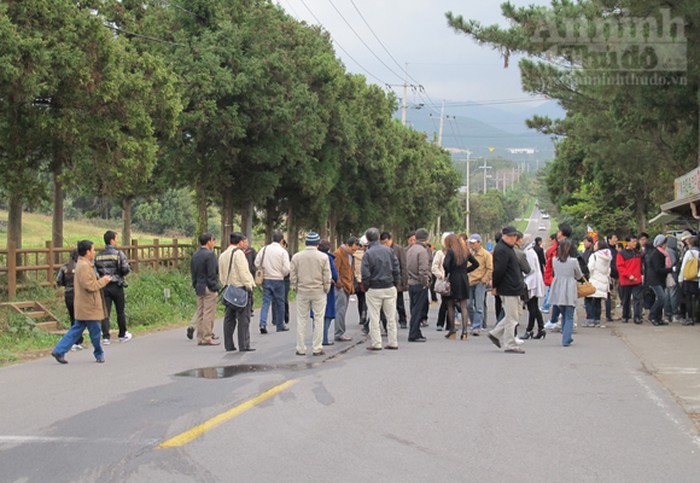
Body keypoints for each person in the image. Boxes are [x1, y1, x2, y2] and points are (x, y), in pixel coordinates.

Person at [51, 240, 112, 364]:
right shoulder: (84, 266)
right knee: (95, 331)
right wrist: (103, 281)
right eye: (93, 250)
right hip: (89, 305)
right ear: (87, 252)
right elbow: (89, 285)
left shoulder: (84, 264)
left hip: (85, 304)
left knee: (76, 329)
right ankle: (99, 353)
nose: (94, 252)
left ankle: (59, 350)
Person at [291, 232, 332, 356]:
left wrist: (295, 286)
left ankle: (301, 348)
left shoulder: (297, 257)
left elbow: (293, 274)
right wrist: (326, 288)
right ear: (318, 244)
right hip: (318, 291)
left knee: (301, 319)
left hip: (302, 291)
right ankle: (317, 347)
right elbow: (327, 275)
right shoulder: (323, 257)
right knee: (319, 319)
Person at [487, 226, 527, 354]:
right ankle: (510, 344)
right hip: (507, 288)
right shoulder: (502, 249)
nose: (513, 238)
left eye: (514, 236)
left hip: (514, 287)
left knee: (516, 314)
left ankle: (495, 333)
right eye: (510, 236)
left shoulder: (508, 248)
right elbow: (498, 270)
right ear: (504, 236)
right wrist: (495, 287)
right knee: (512, 317)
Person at [362, 228, 401, 351]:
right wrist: (395, 283)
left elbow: (365, 273)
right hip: (389, 286)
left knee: (374, 317)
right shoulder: (389, 250)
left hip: (374, 288)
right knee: (391, 317)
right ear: (378, 237)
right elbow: (396, 268)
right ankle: (393, 341)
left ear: (367, 239)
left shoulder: (368, 253)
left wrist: (366, 286)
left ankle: (376, 342)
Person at [219, 232, 256, 352]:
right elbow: (243, 271)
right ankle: (244, 344)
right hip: (240, 288)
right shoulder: (239, 253)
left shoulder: (223, 254)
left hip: (228, 289)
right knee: (243, 319)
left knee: (229, 318)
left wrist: (225, 283)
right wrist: (249, 285)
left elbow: (221, 273)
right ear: (239, 242)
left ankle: (229, 344)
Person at [94, 230, 132, 345]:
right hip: (117, 284)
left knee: (106, 311)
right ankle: (122, 334)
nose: (117, 241)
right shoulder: (118, 254)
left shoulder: (98, 256)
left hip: (104, 285)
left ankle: (106, 337)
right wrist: (120, 274)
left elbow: (95, 271)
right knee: (120, 310)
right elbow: (125, 268)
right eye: (116, 238)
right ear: (111, 240)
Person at [442, 233, 479, 340]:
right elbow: (476, 264)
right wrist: (465, 271)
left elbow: (445, 264)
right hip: (463, 279)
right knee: (463, 305)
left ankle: (452, 330)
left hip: (453, 279)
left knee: (450, 305)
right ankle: (465, 332)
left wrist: (448, 272)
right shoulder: (465, 251)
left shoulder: (451, 251)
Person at [548, 239, 583, 347]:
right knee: (569, 315)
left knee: (563, 314)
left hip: (558, 288)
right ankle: (566, 338)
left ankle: (566, 336)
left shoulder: (555, 260)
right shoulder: (573, 261)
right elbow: (579, 275)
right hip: (569, 288)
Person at [255, 231, 290, 334]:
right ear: (281, 240)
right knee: (280, 302)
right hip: (278, 279)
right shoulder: (283, 252)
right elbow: (287, 268)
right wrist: (282, 273)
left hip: (266, 278)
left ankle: (262, 323)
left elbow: (257, 262)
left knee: (266, 302)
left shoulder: (264, 249)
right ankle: (280, 325)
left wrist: (263, 269)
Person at [191, 233, 220, 346]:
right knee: (208, 313)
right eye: (213, 240)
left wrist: (195, 284)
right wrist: (215, 286)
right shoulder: (210, 255)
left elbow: (193, 272)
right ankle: (207, 337)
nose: (214, 243)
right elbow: (212, 273)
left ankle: (200, 337)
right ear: (208, 242)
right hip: (209, 286)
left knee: (200, 312)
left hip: (199, 285)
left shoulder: (195, 255)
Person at [406, 228, 431, 342]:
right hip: (419, 283)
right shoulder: (422, 251)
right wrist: (425, 283)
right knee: (418, 310)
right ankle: (414, 333)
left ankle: (416, 332)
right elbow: (423, 269)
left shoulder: (411, 249)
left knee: (413, 308)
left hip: (411, 282)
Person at [332, 236, 359, 342]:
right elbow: (335, 270)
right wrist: (340, 284)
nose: (353, 252)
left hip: (348, 286)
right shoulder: (338, 253)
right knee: (340, 310)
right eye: (352, 249)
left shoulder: (350, 255)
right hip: (341, 287)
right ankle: (339, 333)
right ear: (347, 245)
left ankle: (340, 332)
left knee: (343, 310)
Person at [56, 249, 83, 351]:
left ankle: (74, 341)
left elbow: (59, 281)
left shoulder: (65, 267)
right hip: (80, 295)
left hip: (68, 294)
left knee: (72, 318)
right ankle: (78, 340)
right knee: (80, 318)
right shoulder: (82, 267)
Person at [381, 231, 408, 329]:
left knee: (399, 303)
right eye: (383, 242)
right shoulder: (381, 250)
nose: (385, 244)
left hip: (397, 281)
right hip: (385, 281)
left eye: (387, 242)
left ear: (391, 240)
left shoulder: (399, 249)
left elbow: (404, 266)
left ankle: (403, 320)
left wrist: (403, 281)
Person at [467, 233, 492, 337]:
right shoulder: (469, 254)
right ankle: (473, 323)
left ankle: (477, 327)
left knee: (479, 306)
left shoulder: (486, 254)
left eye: (473, 243)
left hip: (479, 282)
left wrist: (484, 280)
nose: (472, 245)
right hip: (469, 282)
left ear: (479, 243)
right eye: (470, 243)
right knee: (468, 304)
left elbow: (490, 268)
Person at [522, 238, 546, 339]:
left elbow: (530, 269)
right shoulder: (529, 252)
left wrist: (522, 274)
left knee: (531, 306)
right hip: (532, 281)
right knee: (534, 307)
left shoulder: (529, 253)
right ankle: (541, 328)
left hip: (531, 282)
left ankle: (529, 329)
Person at [617, 235, 644, 324]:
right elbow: (620, 267)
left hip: (637, 279)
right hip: (626, 280)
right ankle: (625, 315)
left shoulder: (638, 253)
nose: (635, 243)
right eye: (633, 241)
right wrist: (629, 275)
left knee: (637, 299)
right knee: (626, 299)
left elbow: (641, 266)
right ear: (628, 242)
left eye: (635, 241)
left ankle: (637, 316)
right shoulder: (622, 254)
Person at [647, 235, 672, 326]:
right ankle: (652, 316)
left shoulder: (664, 253)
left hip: (661, 279)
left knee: (661, 298)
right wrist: (670, 270)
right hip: (654, 279)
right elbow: (658, 269)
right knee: (662, 297)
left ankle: (658, 318)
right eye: (665, 243)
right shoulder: (656, 254)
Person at [586, 239, 612, 328]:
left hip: (594, 279)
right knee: (598, 301)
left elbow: (590, 268)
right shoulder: (608, 257)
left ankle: (591, 319)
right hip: (604, 280)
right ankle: (597, 319)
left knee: (589, 300)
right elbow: (609, 269)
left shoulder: (594, 256)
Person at [317, 240, 338, 346]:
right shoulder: (328, 258)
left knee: (317, 315)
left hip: (314, 288)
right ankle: (324, 338)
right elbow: (334, 274)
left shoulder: (314, 257)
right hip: (327, 289)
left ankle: (317, 338)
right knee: (327, 314)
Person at [431, 232, 451, 332]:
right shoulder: (440, 253)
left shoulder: (454, 252)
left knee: (451, 303)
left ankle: (449, 324)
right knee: (445, 302)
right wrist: (441, 276)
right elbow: (434, 267)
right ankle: (440, 323)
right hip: (443, 282)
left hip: (452, 281)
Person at [678, 235, 699, 326]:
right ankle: (697, 316)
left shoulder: (689, 253)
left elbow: (683, 267)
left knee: (689, 299)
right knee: (697, 298)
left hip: (689, 278)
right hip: (698, 278)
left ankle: (690, 318)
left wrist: (680, 278)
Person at [354, 236, 369, 332]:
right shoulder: (367, 255)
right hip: (365, 279)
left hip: (357, 280)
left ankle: (361, 317)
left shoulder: (353, 255)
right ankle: (365, 314)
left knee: (360, 299)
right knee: (366, 299)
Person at [581, 235, 595, 324]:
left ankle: (590, 316)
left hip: (589, 277)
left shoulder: (591, 253)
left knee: (589, 298)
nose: (585, 243)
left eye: (586, 241)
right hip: (586, 276)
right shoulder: (586, 251)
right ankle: (590, 315)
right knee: (588, 298)